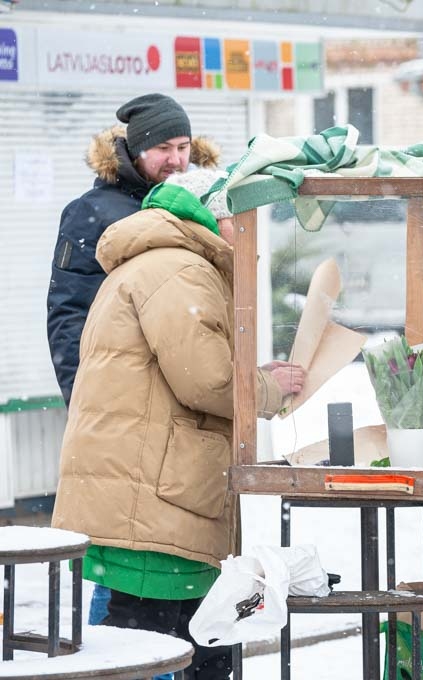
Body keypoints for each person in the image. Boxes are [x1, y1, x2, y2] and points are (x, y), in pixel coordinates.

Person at [50, 168, 305, 680]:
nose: (251, 232)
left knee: (139, 636)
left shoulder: (160, 263)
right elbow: (204, 379)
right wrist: (270, 386)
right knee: (149, 642)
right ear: (214, 217)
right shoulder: (180, 271)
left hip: (141, 490)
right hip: (154, 496)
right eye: (242, 219)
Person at [45, 93, 219, 632]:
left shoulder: (194, 205)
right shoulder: (94, 213)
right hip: (120, 416)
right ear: (132, 150)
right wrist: (90, 405)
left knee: (146, 559)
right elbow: (68, 316)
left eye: (184, 146)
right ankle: (114, 654)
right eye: (162, 147)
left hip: (174, 424)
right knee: (127, 561)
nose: (176, 159)